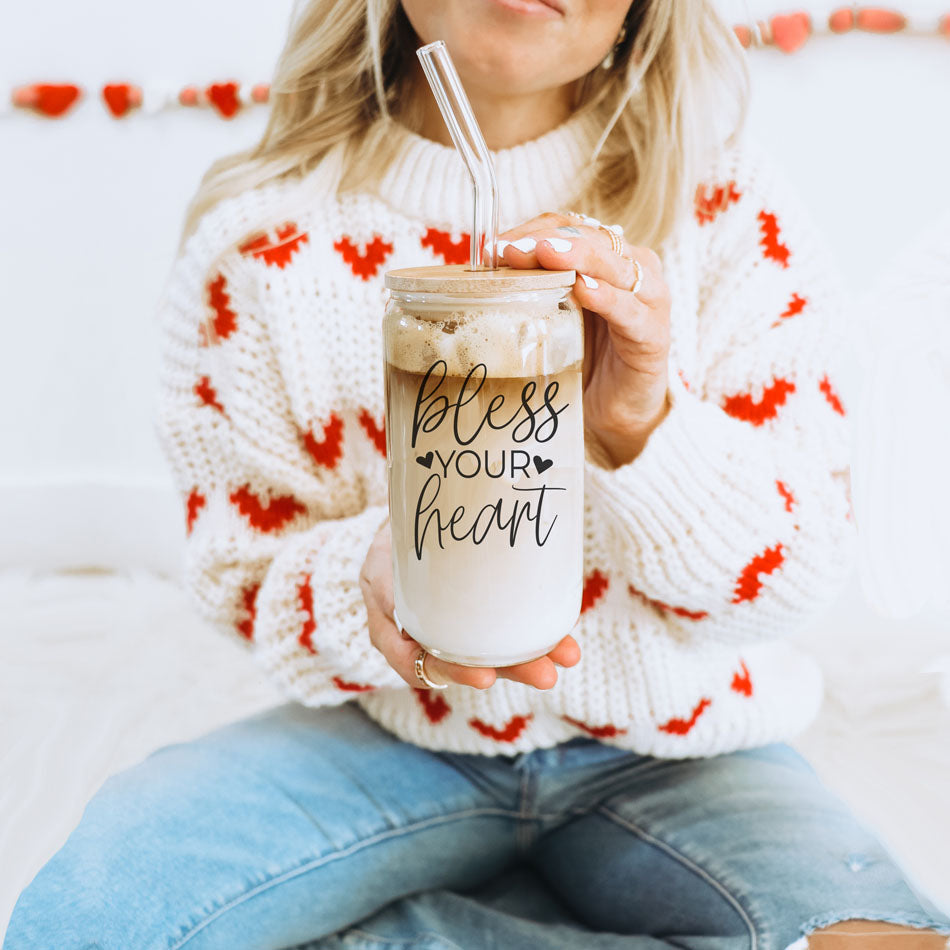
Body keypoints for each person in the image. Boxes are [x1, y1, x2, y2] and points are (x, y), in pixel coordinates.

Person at [6, 1, 950, 948]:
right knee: (88, 915)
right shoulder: (262, 247)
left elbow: (796, 576)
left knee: (879, 940)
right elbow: (239, 573)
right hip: (393, 737)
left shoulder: (727, 211)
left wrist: (641, 428)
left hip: (682, 748)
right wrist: (371, 579)